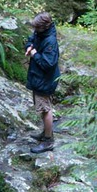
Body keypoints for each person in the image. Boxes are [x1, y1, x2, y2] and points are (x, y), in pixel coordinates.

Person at [25, 12, 60, 153]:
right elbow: (31, 39)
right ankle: (46, 133)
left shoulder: (50, 41)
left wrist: (34, 54)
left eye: (37, 28)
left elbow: (48, 63)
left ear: (44, 27)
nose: (35, 30)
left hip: (45, 80)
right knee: (42, 108)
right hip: (38, 77)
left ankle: (48, 141)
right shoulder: (40, 33)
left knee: (45, 109)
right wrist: (29, 46)